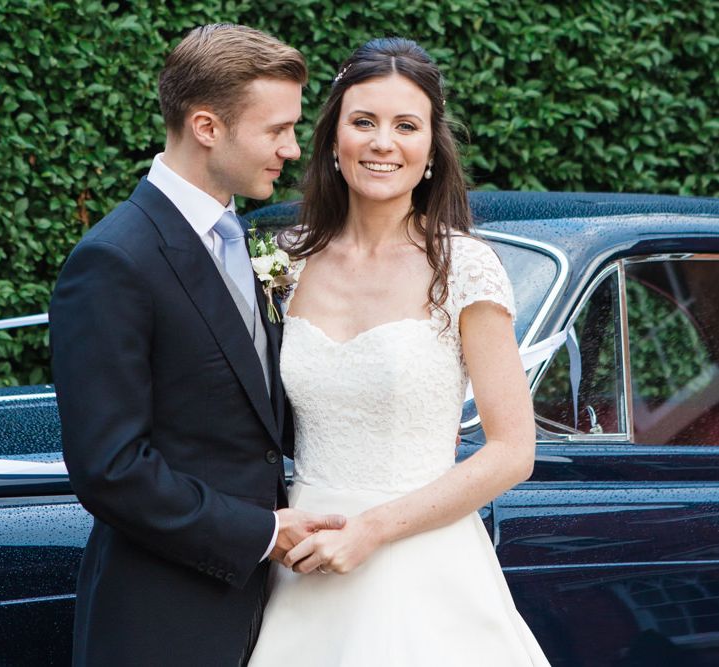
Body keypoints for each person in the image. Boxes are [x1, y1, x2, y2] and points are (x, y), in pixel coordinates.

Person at [50, 24, 345, 666]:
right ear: (207, 127)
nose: (293, 150)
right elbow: (111, 469)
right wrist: (262, 532)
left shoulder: (244, 238)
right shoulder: (113, 260)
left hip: (275, 612)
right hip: (163, 620)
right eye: (276, 131)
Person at [249, 38, 551, 665]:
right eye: (363, 122)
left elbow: (512, 452)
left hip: (422, 561)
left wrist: (374, 530)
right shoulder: (284, 262)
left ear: (430, 150)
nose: (382, 142)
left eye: (405, 126)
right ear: (334, 140)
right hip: (302, 557)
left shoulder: (464, 268)